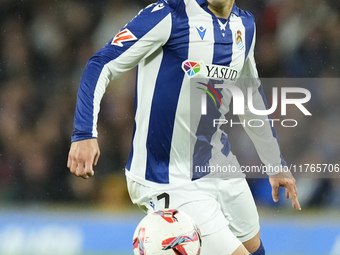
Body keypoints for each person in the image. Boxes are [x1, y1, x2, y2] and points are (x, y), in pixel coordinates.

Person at [67, 0, 301, 254]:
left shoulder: (245, 26)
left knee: (255, 249)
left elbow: (249, 97)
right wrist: (84, 133)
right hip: (168, 177)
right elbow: (100, 64)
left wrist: (274, 163)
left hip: (219, 164)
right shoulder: (169, 14)